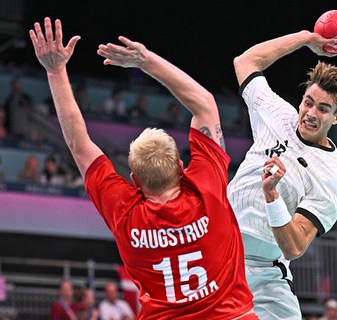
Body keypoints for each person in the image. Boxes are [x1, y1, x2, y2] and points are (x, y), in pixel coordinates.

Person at [30, 17, 256, 319]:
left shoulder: (126, 212)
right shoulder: (207, 186)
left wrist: (56, 71)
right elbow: (205, 104)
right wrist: (144, 60)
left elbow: (79, 145)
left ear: (134, 180)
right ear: (180, 167)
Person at [227, 29, 337, 318]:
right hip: (217, 250)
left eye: (323, 109)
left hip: (264, 270)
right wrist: (305, 39)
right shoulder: (277, 114)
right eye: (308, 102)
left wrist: (272, 196)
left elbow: (295, 245)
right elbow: (245, 62)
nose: (310, 113)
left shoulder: (331, 177)